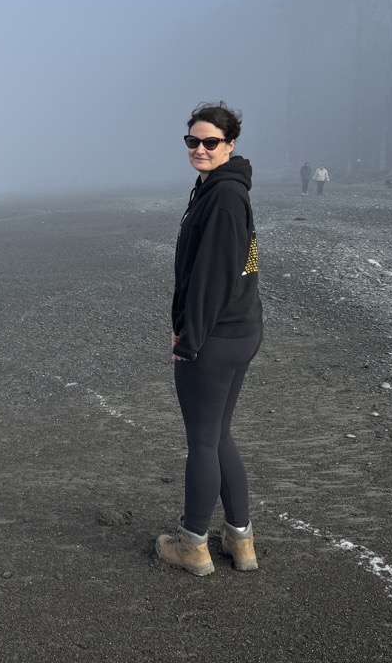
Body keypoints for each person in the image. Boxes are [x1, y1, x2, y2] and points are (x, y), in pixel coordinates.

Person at [156, 101, 263, 576]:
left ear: (230, 145)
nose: (200, 149)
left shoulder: (222, 198)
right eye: (193, 141)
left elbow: (214, 277)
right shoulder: (217, 189)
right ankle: (241, 541)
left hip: (216, 337)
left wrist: (189, 339)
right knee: (218, 435)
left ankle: (193, 543)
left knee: (202, 441)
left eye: (211, 142)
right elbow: (241, 267)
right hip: (238, 331)